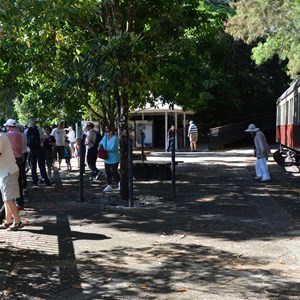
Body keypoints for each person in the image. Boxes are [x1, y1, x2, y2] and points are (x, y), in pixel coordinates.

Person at [0, 132, 24, 230]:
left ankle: (18, 222)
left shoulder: (0, 137)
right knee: (6, 198)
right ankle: (8, 221)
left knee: (8, 198)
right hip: (4, 171)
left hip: (8, 171)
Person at [4, 119, 25, 210]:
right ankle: (20, 203)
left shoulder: (7, 135)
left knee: (10, 183)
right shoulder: (19, 134)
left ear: (8, 126)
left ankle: (11, 204)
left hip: (11, 160)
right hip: (19, 158)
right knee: (19, 181)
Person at [25, 117, 51, 187]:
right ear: (35, 123)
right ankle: (46, 180)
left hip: (32, 149)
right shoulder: (39, 129)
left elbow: (26, 141)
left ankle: (35, 182)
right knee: (42, 165)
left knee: (33, 165)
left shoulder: (27, 130)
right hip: (40, 148)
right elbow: (43, 138)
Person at [99, 127, 120, 192]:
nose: (107, 133)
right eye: (106, 131)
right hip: (107, 158)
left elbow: (112, 148)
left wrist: (103, 150)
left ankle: (119, 182)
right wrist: (99, 146)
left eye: (108, 131)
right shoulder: (105, 137)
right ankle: (109, 185)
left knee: (113, 171)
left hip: (114, 158)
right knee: (107, 172)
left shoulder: (114, 138)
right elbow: (101, 142)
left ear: (111, 132)